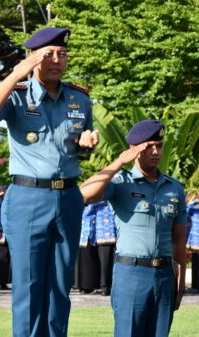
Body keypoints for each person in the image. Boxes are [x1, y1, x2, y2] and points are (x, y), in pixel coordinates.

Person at [0, 26, 99, 336]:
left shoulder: (79, 99)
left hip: (69, 197)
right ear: (33, 58)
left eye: (62, 54)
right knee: (29, 285)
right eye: (48, 55)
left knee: (59, 285)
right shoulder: (17, 95)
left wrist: (86, 144)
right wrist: (17, 73)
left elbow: (76, 145)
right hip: (28, 198)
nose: (56, 60)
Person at [80, 119, 187, 337]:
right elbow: (84, 194)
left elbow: (178, 239)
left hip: (165, 274)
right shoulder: (121, 182)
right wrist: (120, 161)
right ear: (134, 149)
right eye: (149, 147)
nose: (155, 151)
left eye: (159, 145)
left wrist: (181, 279)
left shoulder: (174, 188)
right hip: (132, 274)